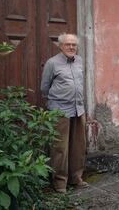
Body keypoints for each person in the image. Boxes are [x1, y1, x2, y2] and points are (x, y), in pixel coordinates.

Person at [40, 33, 88, 193]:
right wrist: (57, 102)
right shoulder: (52, 63)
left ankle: (76, 177)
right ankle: (60, 182)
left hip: (78, 109)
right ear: (60, 46)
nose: (71, 47)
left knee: (78, 146)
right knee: (60, 148)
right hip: (60, 110)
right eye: (68, 44)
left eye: (74, 45)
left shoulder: (80, 61)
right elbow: (44, 88)